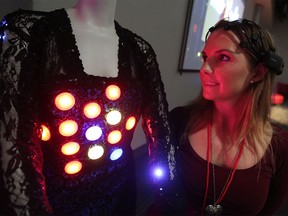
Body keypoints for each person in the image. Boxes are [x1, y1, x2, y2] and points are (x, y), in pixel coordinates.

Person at [0, 0, 176, 215]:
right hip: (51, 199)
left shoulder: (139, 51)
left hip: (119, 196)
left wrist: (169, 202)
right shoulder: (30, 32)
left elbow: (160, 134)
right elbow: (14, 140)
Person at [170, 18, 288, 215]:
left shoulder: (280, 148)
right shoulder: (179, 121)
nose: (204, 69)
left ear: (257, 73)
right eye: (205, 57)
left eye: (223, 58)